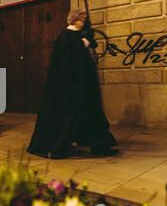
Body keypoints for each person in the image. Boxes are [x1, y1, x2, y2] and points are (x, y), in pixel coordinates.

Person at [27, 9, 118, 159]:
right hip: (73, 87)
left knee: (91, 114)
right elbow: (67, 63)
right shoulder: (66, 37)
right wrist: (82, 44)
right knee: (71, 117)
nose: (84, 22)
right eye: (83, 20)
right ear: (75, 20)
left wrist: (86, 42)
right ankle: (61, 146)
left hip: (84, 86)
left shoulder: (78, 37)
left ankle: (100, 145)